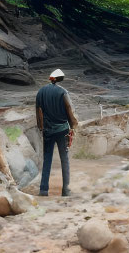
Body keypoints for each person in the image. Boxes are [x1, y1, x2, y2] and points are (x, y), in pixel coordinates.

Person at [35, 69, 79, 197]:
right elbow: (69, 109)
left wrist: (41, 127)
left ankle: (43, 190)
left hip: (48, 131)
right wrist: (73, 126)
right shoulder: (63, 92)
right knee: (64, 159)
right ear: (60, 79)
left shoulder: (41, 92)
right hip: (62, 131)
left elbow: (38, 112)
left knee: (47, 159)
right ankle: (66, 190)